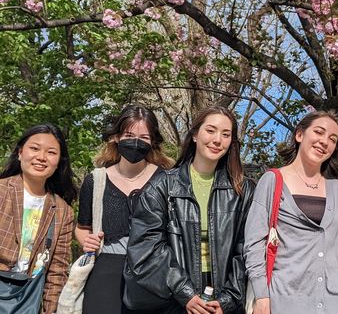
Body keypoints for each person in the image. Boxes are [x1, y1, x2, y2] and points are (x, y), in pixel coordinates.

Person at [127, 106, 255, 314]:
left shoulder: (243, 190)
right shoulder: (162, 186)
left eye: (226, 134)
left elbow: (247, 249)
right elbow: (146, 248)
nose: (217, 140)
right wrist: (184, 292)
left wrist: (229, 299)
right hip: (175, 303)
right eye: (210, 130)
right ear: (195, 134)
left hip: (224, 304)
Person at [244, 111, 338, 314]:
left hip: (337, 303)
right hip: (284, 301)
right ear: (299, 135)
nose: (324, 142)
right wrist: (262, 295)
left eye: (332, 139)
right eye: (319, 132)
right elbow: (254, 244)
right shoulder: (272, 181)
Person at [75, 105, 175, 314]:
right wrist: (87, 241)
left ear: (153, 142)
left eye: (144, 137)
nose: (136, 142)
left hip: (154, 272)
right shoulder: (96, 180)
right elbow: (82, 227)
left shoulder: (168, 180)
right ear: (117, 137)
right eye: (129, 135)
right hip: (106, 271)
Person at [0, 124, 77, 313]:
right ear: (20, 153)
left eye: (51, 152)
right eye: (34, 149)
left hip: (26, 300)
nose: (41, 157)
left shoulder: (62, 210)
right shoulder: (2, 192)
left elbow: (57, 272)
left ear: (59, 162)